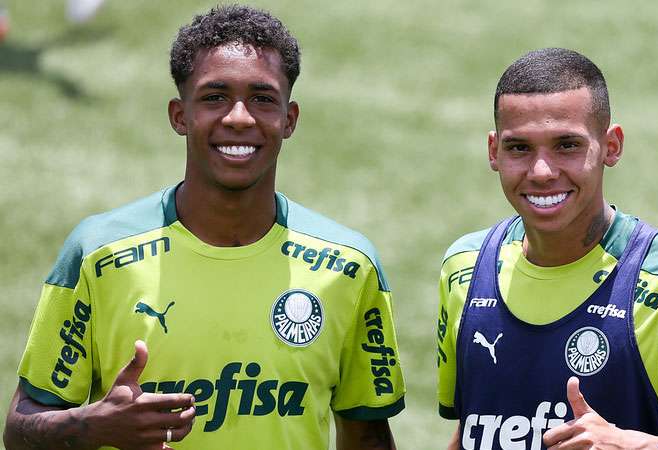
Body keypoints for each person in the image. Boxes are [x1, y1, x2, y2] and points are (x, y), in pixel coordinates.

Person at [4, 5, 404, 450]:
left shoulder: (349, 267)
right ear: (179, 115)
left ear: (289, 120)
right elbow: (19, 431)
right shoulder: (97, 252)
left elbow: (367, 437)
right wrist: (91, 425)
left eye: (262, 98)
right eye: (215, 96)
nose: (238, 117)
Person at [436, 48, 658, 449]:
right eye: (519, 148)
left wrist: (638, 446)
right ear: (493, 151)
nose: (542, 172)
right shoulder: (466, 268)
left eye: (567, 145)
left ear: (611, 146)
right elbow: (473, 426)